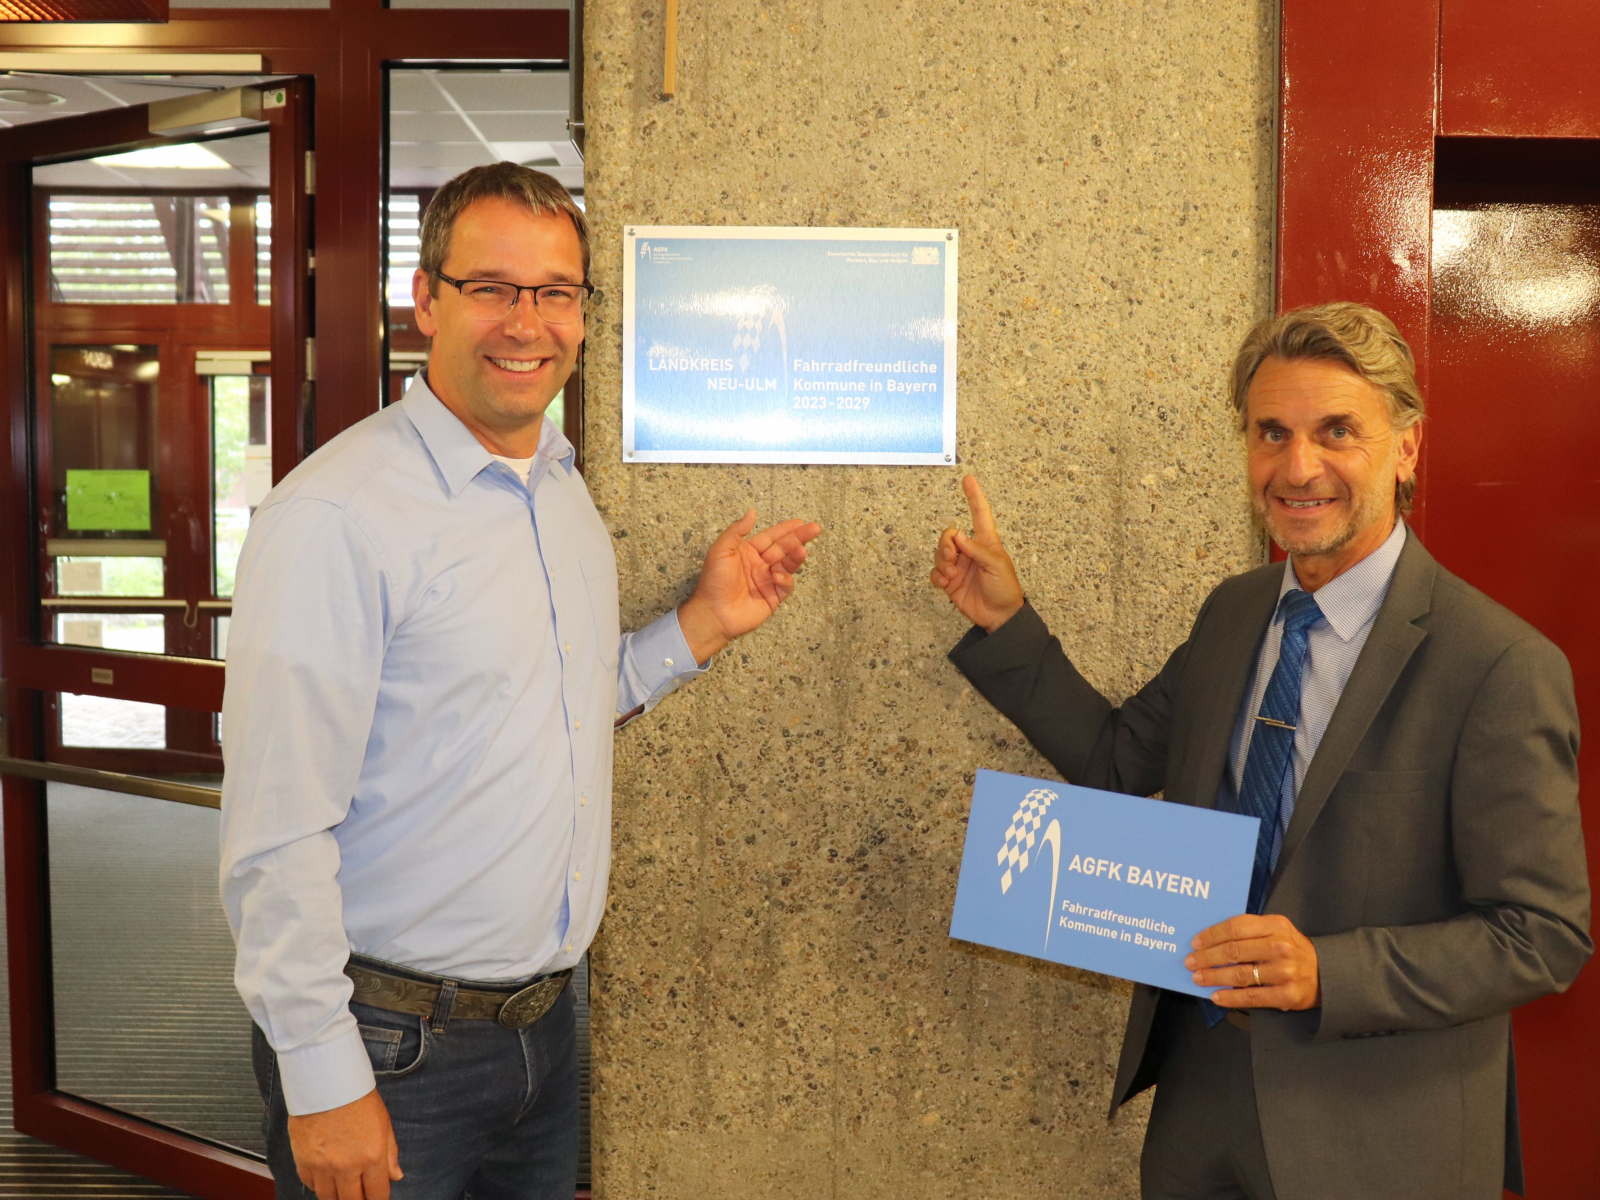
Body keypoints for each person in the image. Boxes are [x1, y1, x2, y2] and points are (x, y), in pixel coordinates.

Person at [220, 162, 821, 1200]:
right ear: (425, 301)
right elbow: (274, 830)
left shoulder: (558, 491)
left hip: (542, 1039)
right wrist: (320, 1075)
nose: (525, 322)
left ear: (583, 314)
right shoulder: (335, 519)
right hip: (386, 1050)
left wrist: (704, 623)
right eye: (491, 287)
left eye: (554, 292)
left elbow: (554, 707)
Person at [929, 302, 1590, 1200]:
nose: (1297, 466)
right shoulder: (1234, 614)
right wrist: (1007, 623)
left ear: (1406, 448)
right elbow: (1118, 761)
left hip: (1383, 1141)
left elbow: (1543, 935)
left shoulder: (1499, 666)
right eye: (1270, 432)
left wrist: (1327, 971)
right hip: (1201, 1115)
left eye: (1337, 431)